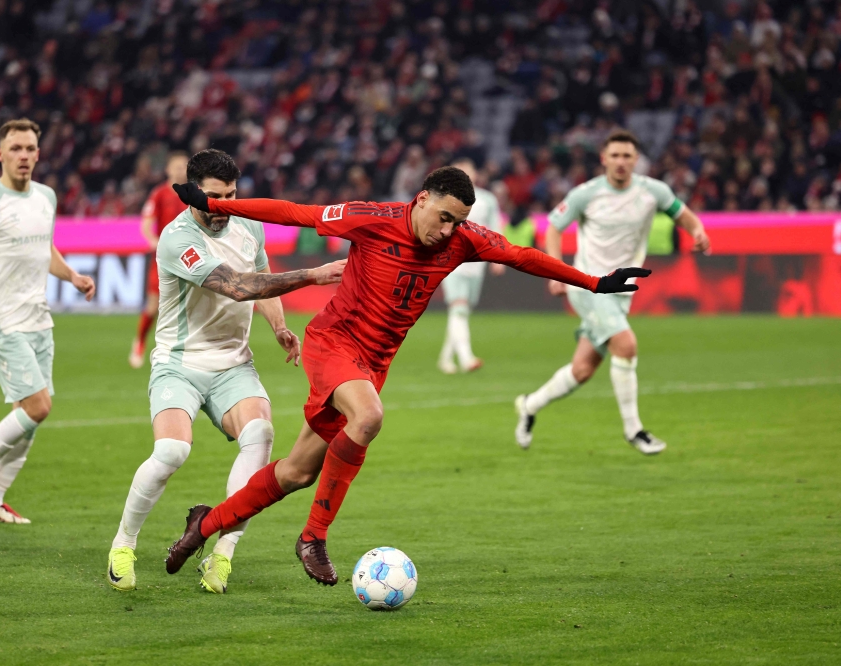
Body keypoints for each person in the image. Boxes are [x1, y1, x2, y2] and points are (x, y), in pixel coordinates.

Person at [163, 166, 649, 585]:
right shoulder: (370, 219)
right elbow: (295, 212)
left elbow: (523, 256)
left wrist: (594, 282)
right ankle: (313, 537)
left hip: (373, 364)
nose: (448, 230)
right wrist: (209, 201)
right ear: (421, 200)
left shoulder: (463, 241)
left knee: (297, 472)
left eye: (458, 222)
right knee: (369, 417)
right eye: (443, 217)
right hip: (334, 343)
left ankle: (203, 526)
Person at [106, 149, 346, 593]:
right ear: (193, 194)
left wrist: (278, 325)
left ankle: (222, 555)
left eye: (231, 196)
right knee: (172, 453)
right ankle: (123, 544)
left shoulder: (248, 224)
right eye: (212, 198)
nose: (221, 207)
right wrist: (313, 275)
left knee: (261, 435)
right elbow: (238, 287)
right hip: (180, 364)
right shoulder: (178, 238)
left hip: (233, 364)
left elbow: (262, 276)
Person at [514, 129, 710, 455]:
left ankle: (529, 406)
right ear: (603, 159)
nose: (620, 162)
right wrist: (556, 272)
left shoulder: (653, 191)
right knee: (626, 343)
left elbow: (683, 215)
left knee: (582, 370)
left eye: (627, 156)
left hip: (621, 292)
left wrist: (698, 232)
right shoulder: (585, 194)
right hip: (588, 283)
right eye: (615, 155)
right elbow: (553, 228)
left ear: (636, 160)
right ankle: (634, 430)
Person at [0, 118, 96, 524]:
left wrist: (72, 276)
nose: (24, 155)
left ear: (39, 154)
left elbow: (44, 249)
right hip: (1, 322)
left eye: (30, 148)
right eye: (16, 149)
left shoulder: (46, 197)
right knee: (38, 406)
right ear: (0, 154)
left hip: (39, 321)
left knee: (27, 417)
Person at [437, 157, 506, 374]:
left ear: (475, 174)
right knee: (458, 307)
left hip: (476, 264)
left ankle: (445, 359)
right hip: (451, 261)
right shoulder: (445, 200)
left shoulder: (487, 200)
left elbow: (496, 227)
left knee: (462, 310)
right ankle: (466, 358)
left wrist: (498, 257)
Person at [130, 152, 189, 368]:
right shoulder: (159, 194)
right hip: (164, 259)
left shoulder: (194, 194)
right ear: (168, 169)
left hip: (188, 259)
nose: (180, 170)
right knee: (153, 307)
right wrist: (154, 241)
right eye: (176, 166)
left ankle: (180, 351)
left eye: (184, 166)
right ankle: (140, 342)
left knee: (188, 307)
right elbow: (146, 223)